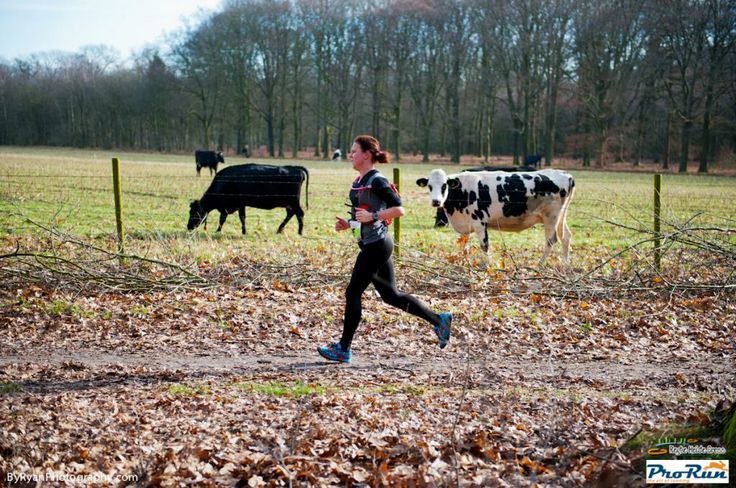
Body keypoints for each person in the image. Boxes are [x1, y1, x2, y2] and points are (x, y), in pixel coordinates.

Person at [318, 135, 452, 363]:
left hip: (377, 246)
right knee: (391, 296)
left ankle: (343, 349)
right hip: (374, 244)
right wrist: (348, 224)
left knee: (353, 293)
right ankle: (439, 320)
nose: (350, 155)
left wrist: (374, 215)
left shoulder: (377, 180)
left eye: (354, 151)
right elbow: (364, 217)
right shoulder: (359, 181)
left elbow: (399, 210)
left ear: (366, 155)